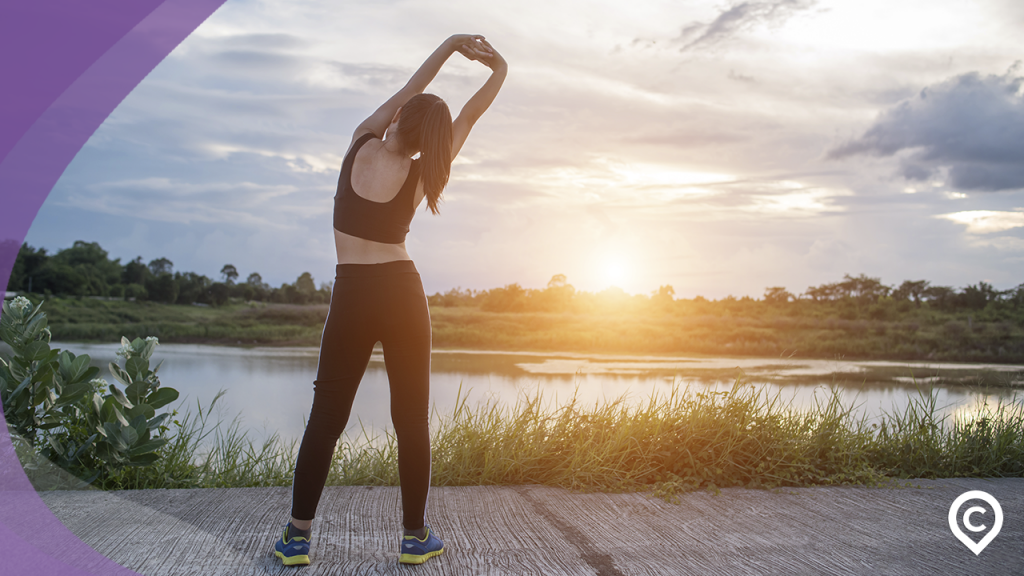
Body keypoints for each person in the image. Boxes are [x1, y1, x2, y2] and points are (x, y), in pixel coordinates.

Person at [273, 34, 507, 567]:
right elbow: (467, 117)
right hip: (403, 292)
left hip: (352, 292)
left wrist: (450, 47)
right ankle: (413, 536)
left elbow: (412, 87)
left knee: (325, 417)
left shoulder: (360, 142)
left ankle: (297, 537)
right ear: (432, 141)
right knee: (411, 418)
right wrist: (499, 72)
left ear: (399, 117)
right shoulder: (426, 169)